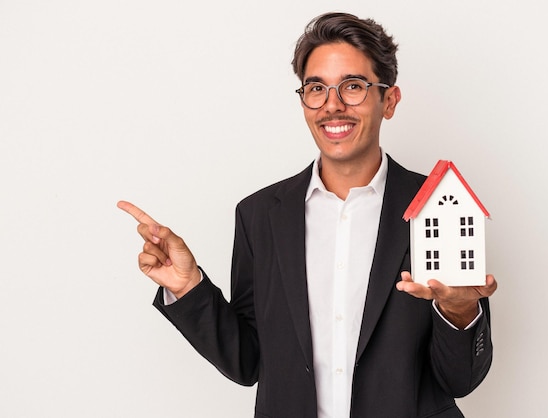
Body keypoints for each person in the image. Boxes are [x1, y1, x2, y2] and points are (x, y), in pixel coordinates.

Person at [118, 12, 497, 418]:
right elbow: (248, 362)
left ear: (389, 100)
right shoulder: (259, 215)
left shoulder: (438, 204)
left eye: (353, 86)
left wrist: (460, 311)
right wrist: (189, 287)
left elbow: (460, 380)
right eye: (316, 88)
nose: (332, 106)